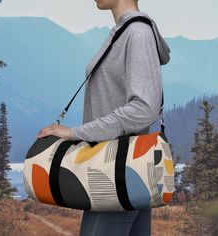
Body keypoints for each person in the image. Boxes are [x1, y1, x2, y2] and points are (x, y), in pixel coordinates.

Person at [37, 0, 170, 235]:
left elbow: (145, 108)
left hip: (116, 174)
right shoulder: (123, 32)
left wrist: (74, 133)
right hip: (114, 172)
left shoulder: (137, 33)